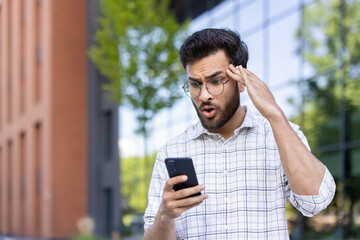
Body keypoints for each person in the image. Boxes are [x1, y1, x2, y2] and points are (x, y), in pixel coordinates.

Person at [143, 28, 335, 240]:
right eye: (195, 84)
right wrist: (164, 216)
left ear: (241, 81)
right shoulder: (171, 151)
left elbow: (316, 202)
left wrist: (275, 114)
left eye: (216, 81)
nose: (204, 95)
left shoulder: (278, 135)